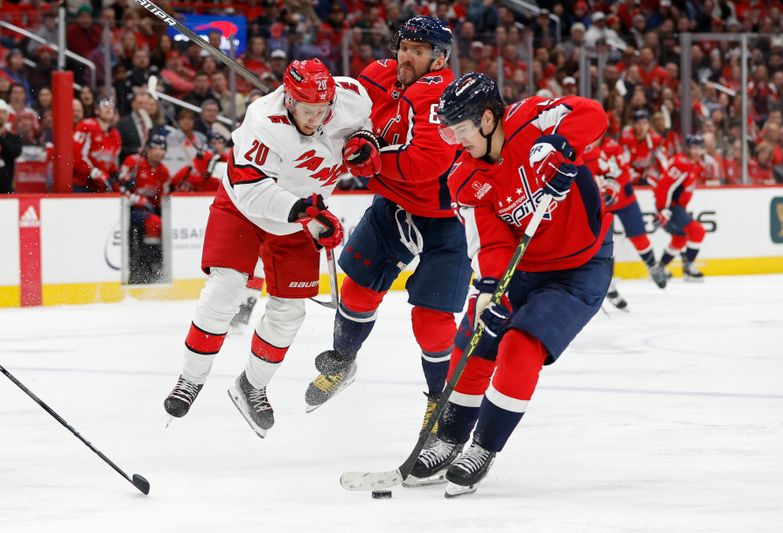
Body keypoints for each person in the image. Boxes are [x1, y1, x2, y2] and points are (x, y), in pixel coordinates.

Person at [409, 73, 612, 496]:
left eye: (458, 131)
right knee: (475, 338)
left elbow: (591, 114)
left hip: (580, 267)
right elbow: (491, 240)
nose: (453, 142)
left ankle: (483, 447)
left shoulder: (532, 118)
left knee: (520, 344)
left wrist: (562, 146)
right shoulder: (464, 178)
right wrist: (490, 292)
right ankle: (449, 437)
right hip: (521, 269)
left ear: (486, 119)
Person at [163, 59, 373, 438]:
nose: (317, 118)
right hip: (243, 208)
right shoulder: (262, 120)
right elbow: (252, 190)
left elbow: (367, 122)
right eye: (308, 110)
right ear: (289, 101)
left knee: (289, 313)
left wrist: (365, 142)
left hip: (301, 216)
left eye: (323, 109)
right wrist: (305, 213)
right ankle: (189, 380)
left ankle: (252, 386)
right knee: (225, 292)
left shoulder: (350, 97)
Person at [303, 18, 471, 438]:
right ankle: (342, 362)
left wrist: (370, 160)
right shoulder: (377, 75)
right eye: (405, 47)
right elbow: (338, 110)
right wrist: (308, 103)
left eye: (419, 50)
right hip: (393, 207)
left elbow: (425, 165)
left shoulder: (442, 96)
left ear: (440, 58)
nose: (407, 56)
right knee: (357, 292)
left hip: (446, 219)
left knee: (432, 321)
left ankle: (441, 402)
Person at [584, 135, 668, 310]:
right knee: (606, 246)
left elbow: (623, 171)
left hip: (625, 199)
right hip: (603, 204)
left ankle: (652, 267)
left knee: (639, 237)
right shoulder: (583, 150)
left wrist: (612, 187)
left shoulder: (612, 147)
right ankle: (609, 286)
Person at [119, 135, 172, 283]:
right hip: (128, 210)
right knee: (154, 222)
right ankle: (146, 266)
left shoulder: (164, 171)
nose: (159, 152)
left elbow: (162, 198)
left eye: (162, 149)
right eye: (155, 147)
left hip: (148, 211)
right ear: (147, 149)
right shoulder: (133, 162)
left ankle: (150, 264)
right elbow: (119, 186)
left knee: (158, 222)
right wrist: (135, 198)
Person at [655, 134, 707, 281]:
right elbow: (664, 186)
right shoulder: (681, 163)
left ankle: (660, 268)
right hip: (670, 208)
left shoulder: (693, 164)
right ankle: (688, 269)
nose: (697, 151)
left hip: (677, 208)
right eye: (694, 148)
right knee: (697, 231)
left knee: (680, 238)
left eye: (699, 148)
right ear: (688, 148)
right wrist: (662, 209)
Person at [72, 97, 121, 193]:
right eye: (105, 106)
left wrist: (119, 176)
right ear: (97, 111)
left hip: (101, 187)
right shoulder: (86, 126)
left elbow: (113, 164)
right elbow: (76, 155)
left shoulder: (115, 135)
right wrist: (94, 172)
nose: (109, 109)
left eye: (111, 107)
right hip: (82, 185)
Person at [619, 110, 666, 185]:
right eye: (638, 123)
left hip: (647, 172)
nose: (642, 126)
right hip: (631, 172)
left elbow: (663, 161)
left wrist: (664, 176)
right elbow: (624, 162)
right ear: (633, 125)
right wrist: (635, 177)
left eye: (644, 123)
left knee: (654, 180)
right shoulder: (626, 138)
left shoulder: (655, 139)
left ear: (648, 125)